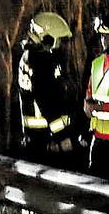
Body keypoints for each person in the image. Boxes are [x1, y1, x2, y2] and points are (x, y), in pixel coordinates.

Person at [16, 12, 74, 157]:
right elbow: (47, 101)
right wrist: (63, 138)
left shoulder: (28, 57)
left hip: (34, 137)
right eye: (59, 40)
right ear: (47, 38)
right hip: (47, 140)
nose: (60, 46)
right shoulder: (41, 61)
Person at [87, 16, 109, 177]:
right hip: (98, 140)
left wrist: (98, 107)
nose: (104, 40)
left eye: (107, 35)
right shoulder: (96, 64)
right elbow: (90, 94)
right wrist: (88, 104)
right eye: (102, 35)